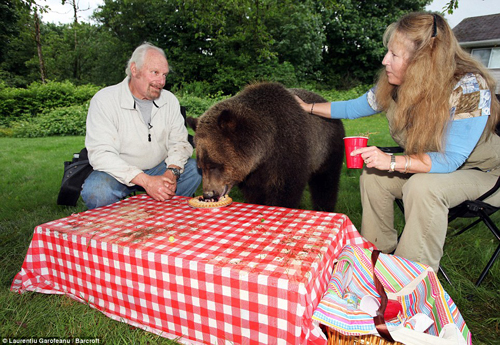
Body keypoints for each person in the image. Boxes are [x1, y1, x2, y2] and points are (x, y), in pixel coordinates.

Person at [295, 12, 500, 272]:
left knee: (424, 187)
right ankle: (375, 259)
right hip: (434, 167)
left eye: (394, 55)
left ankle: (408, 280)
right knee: (373, 176)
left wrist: (391, 160)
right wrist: (308, 108)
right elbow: (353, 107)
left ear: (424, 60)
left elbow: (451, 159)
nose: (385, 60)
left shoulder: (470, 87)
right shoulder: (396, 85)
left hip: (484, 173)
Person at [81, 42, 202, 209]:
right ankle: (114, 231)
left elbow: (180, 142)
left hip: (160, 167)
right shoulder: (104, 100)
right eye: (155, 73)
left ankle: (166, 214)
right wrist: (145, 181)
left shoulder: (169, 100)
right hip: (118, 171)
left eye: (165, 75)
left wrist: (172, 172)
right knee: (97, 191)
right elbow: (101, 154)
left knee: (195, 170)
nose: (161, 81)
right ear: (134, 69)